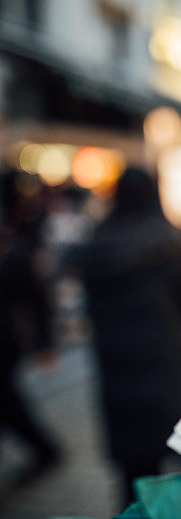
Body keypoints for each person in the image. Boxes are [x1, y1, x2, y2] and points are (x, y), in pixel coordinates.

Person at [77, 168, 181, 503]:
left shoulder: (95, 244)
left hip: (120, 377)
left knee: (134, 480)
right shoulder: (166, 243)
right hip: (171, 371)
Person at [0, 170, 60, 486]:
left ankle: (46, 450)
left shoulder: (15, 235)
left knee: (7, 399)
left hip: (4, 336)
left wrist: (44, 341)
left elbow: (33, 294)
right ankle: (45, 450)